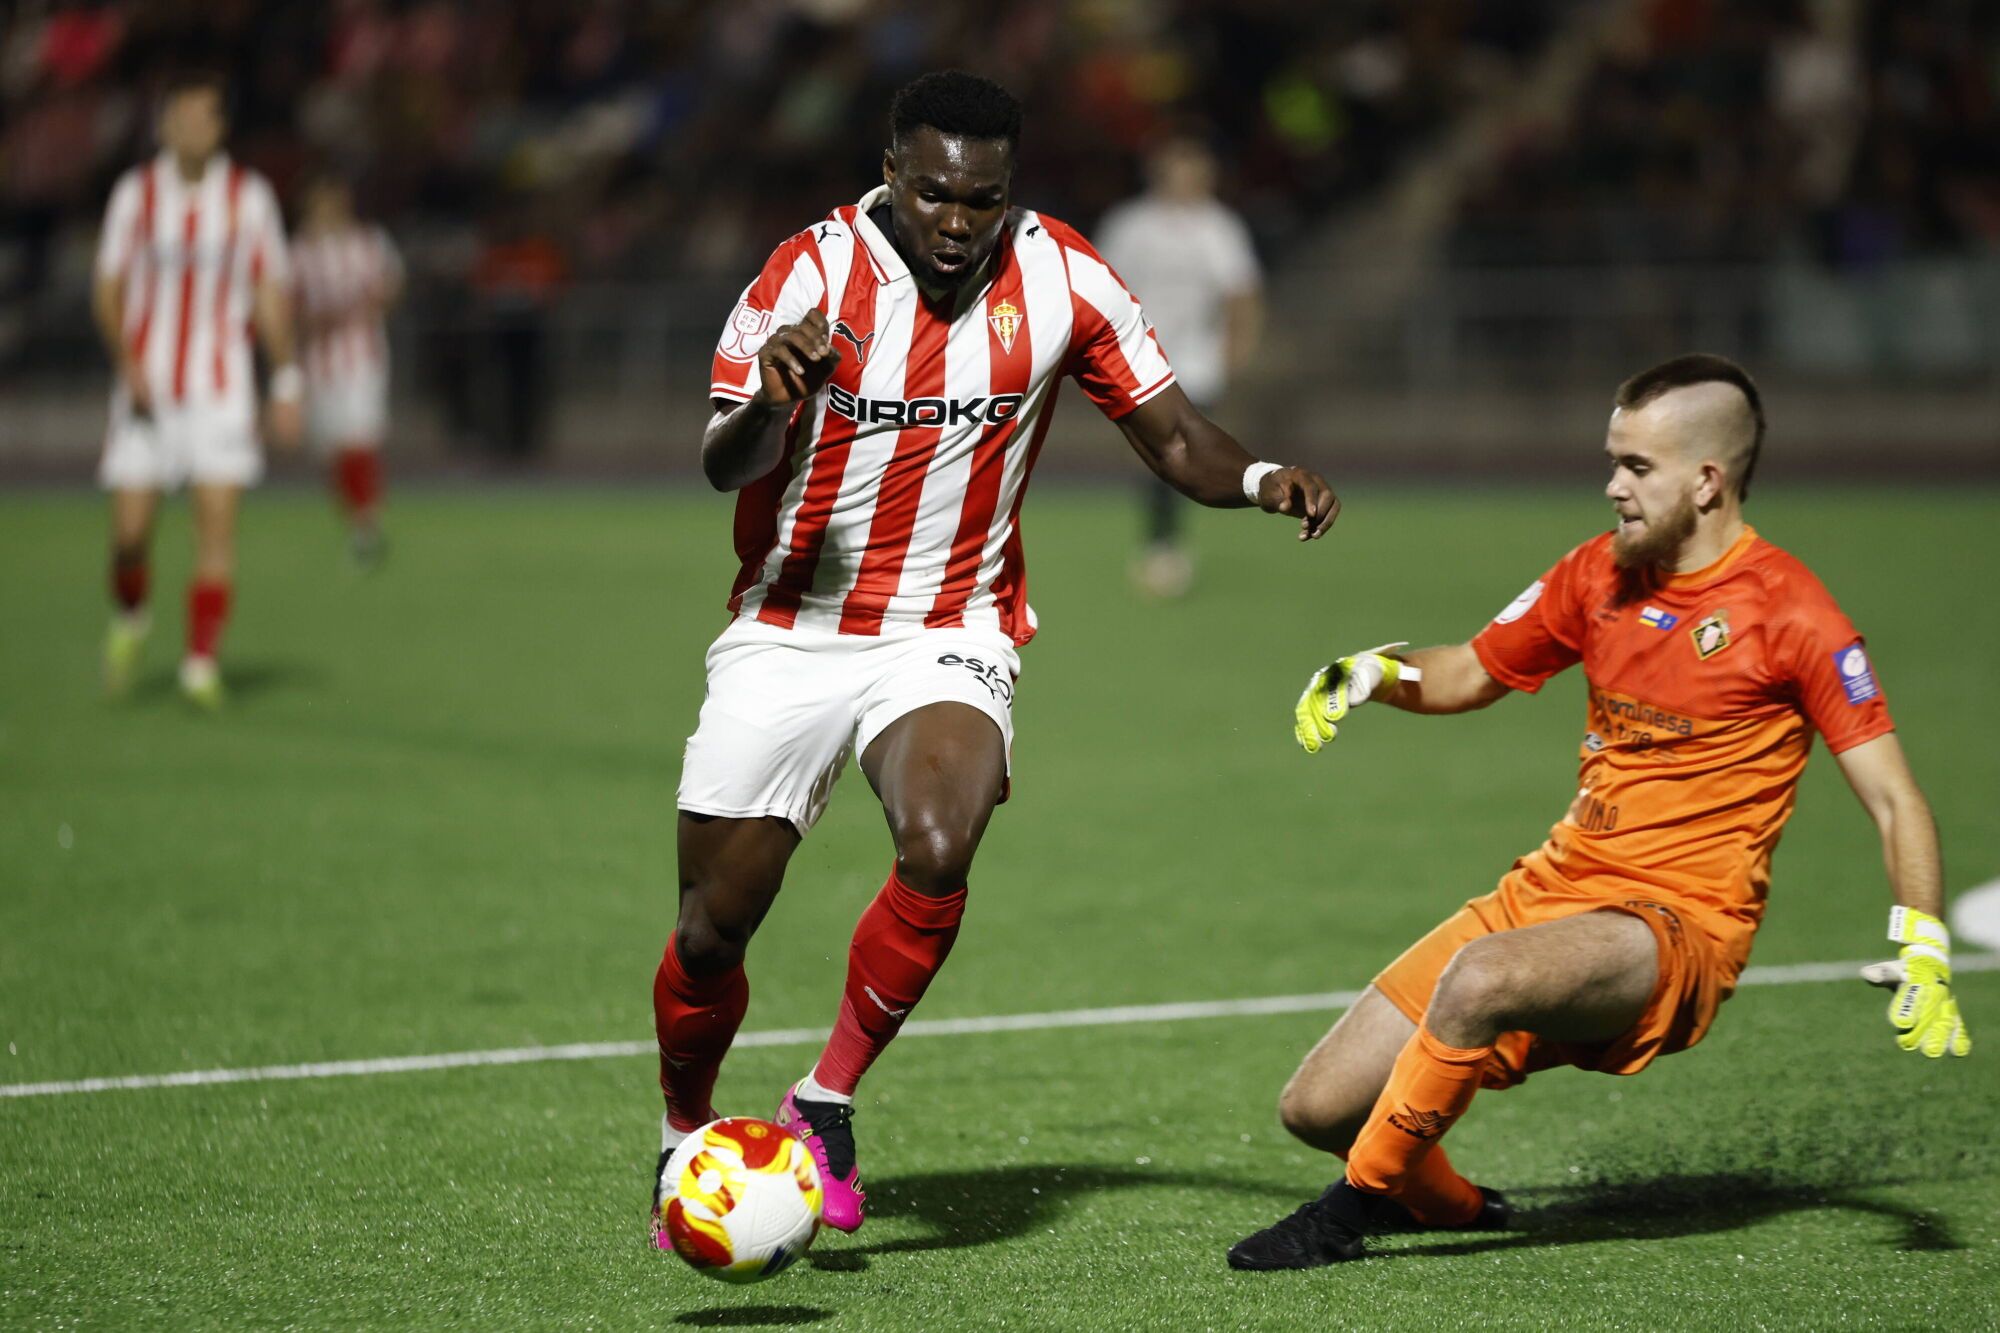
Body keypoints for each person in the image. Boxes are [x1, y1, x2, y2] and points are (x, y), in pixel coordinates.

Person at [651, 70, 1338, 1247]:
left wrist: (1264, 477)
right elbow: (723, 463)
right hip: (790, 628)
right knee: (716, 925)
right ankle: (684, 1131)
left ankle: (824, 1100)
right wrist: (771, 402)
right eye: (932, 195)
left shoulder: (1063, 274)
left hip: (950, 623)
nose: (957, 222)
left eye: (981, 197)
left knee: (938, 837)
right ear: (889, 174)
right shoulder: (807, 275)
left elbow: (1169, 431)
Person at [1229, 353, 1972, 1271]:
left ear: (1708, 480)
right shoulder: (1598, 574)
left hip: (1676, 929)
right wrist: (1376, 674)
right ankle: (1457, 1208)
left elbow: (1897, 796)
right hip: (1556, 887)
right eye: (1613, 460)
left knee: (1481, 978)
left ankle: (1345, 1215)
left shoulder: (1794, 615)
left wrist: (1924, 941)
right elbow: (1468, 670)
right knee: (1319, 1108)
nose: (1612, 484)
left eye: (1636, 466)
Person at [95, 68, 300, 708]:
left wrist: (287, 379)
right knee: (130, 537)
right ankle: (131, 616)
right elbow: (108, 288)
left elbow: (269, 293)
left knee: (214, 529)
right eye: (181, 115)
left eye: (204, 116)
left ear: (221, 126)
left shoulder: (249, 197)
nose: (192, 127)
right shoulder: (135, 195)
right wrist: (127, 361)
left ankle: (199, 663)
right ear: (163, 124)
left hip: (221, 388)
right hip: (147, 388)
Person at [1097, 134, 1262, 599]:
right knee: (1166, 455)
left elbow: (1241, 295)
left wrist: (1235, 352)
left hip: (1196, 360)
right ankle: (1163, 545)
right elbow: (1100, 285)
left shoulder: (1219, 228)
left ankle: (1163, 546)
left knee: (1177, 453)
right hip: (1139, 361)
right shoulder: (1130, 225)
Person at [292, 174, 403, 567]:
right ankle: (357, 517)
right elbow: (287, 307)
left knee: (360, 438)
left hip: (362, 358)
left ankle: (367, 524)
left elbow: (391, 286)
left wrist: (368, 305)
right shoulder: (299, 252)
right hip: (318, 365)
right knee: (331, 450)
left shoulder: (368, 242)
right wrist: (317, 320)